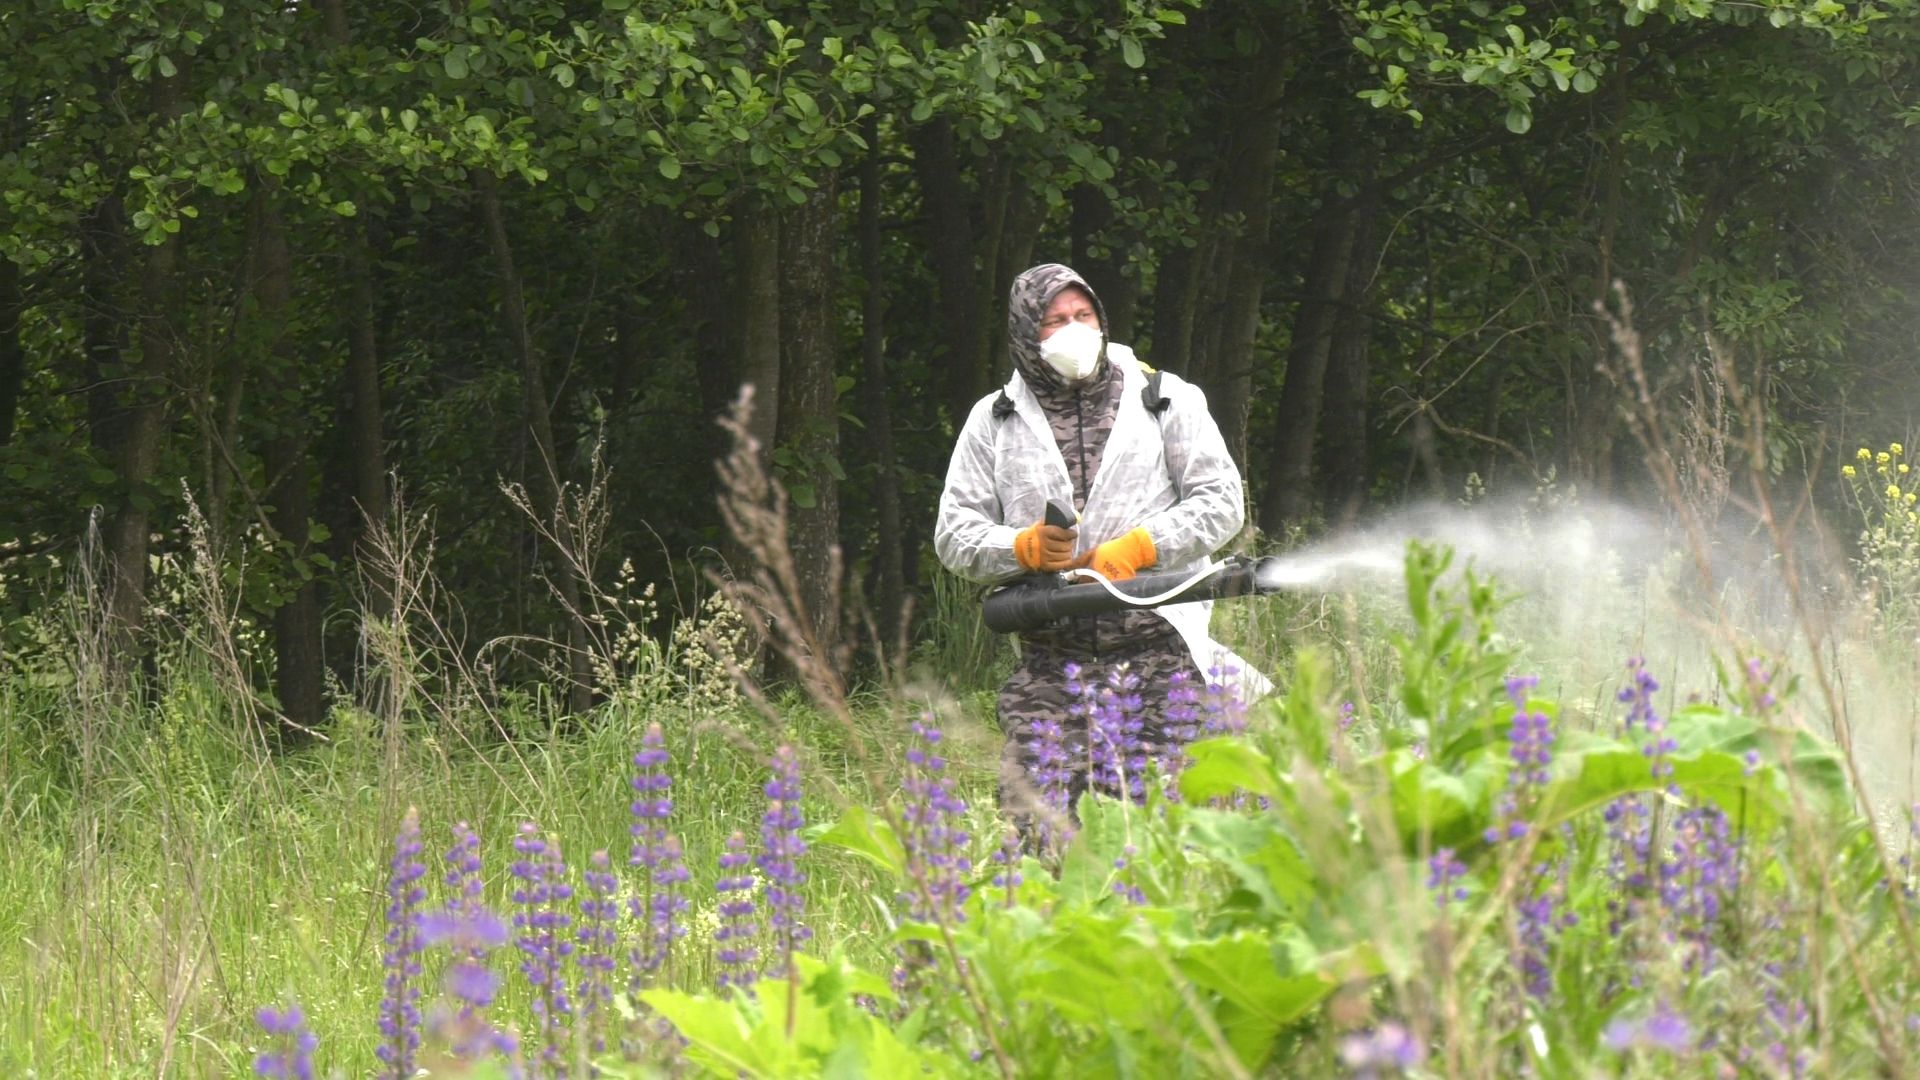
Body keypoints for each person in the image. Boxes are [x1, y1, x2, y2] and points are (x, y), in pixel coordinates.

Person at [934, 262, 1269, 826]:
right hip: (1050, 659)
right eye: (1055, 320)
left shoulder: (1165, 399)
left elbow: (1221, 502)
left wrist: (1142, 546)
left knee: (1175, 831)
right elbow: (954, 534)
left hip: (1160, 649)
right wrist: (1020, 548)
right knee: (1037, 834)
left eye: (1083, 315)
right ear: (1023, 333)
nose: (1073, 329)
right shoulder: (994, 419)